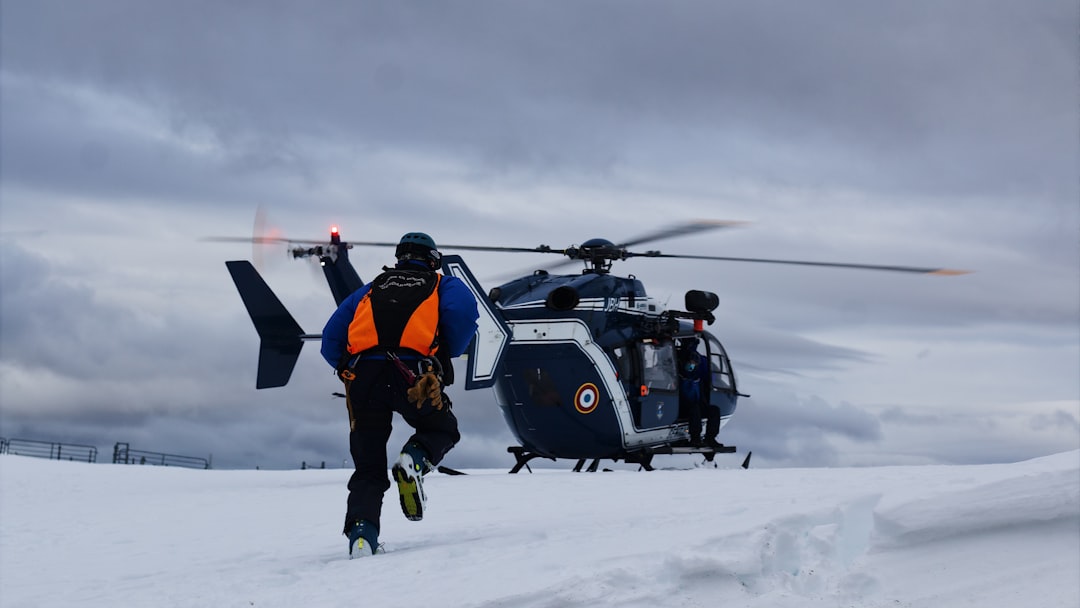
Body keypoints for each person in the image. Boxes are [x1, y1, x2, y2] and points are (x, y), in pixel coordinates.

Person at [321, 232, 479, 558]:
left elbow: (330, 338)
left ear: (399, 259)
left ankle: (362, 538)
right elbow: (463, 317)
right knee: (441, 429)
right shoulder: (443, 285)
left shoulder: (370, 289)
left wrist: (347, 367)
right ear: (433, 259)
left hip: (364, 379)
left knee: (368, 468)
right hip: (414, 376)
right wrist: (443, 355)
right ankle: (415, 461)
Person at [677, 337, 722, 449]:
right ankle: (695, 438)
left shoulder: (700, 367)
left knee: (714, 410)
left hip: (696, 401)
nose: (692, 365)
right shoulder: (677, 365)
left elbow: (713, 376)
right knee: (694, 409)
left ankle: (710, 438)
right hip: (680, 404)